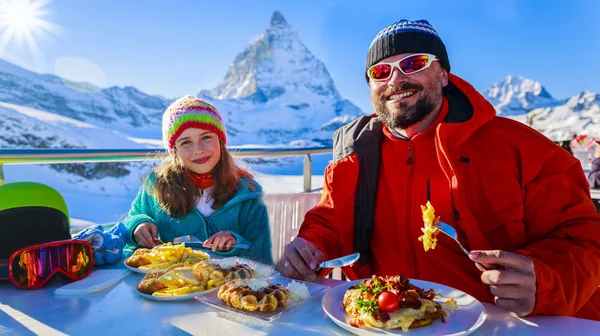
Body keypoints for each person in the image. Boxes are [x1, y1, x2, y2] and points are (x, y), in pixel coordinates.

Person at [278, 19, 600, 320]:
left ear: (443, 74)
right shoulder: (354, 155)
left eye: (413, 64)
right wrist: (311, 249)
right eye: (380, 71)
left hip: (499, 323)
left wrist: (543, 280)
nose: (395, 79)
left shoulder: (521, 149)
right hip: (387, 320)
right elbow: (329, 223)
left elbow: (585, 240)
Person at [123, 95, 273, 265]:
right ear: (174, 150)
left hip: (228, 286)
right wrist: (138, 226)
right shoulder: (156, 186)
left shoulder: (248, 191)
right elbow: (131, 222)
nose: (198, 149)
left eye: (206, 137)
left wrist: (235, 243)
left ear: (220, 140)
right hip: (170, 285)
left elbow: (262, 254)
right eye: (186, 142)